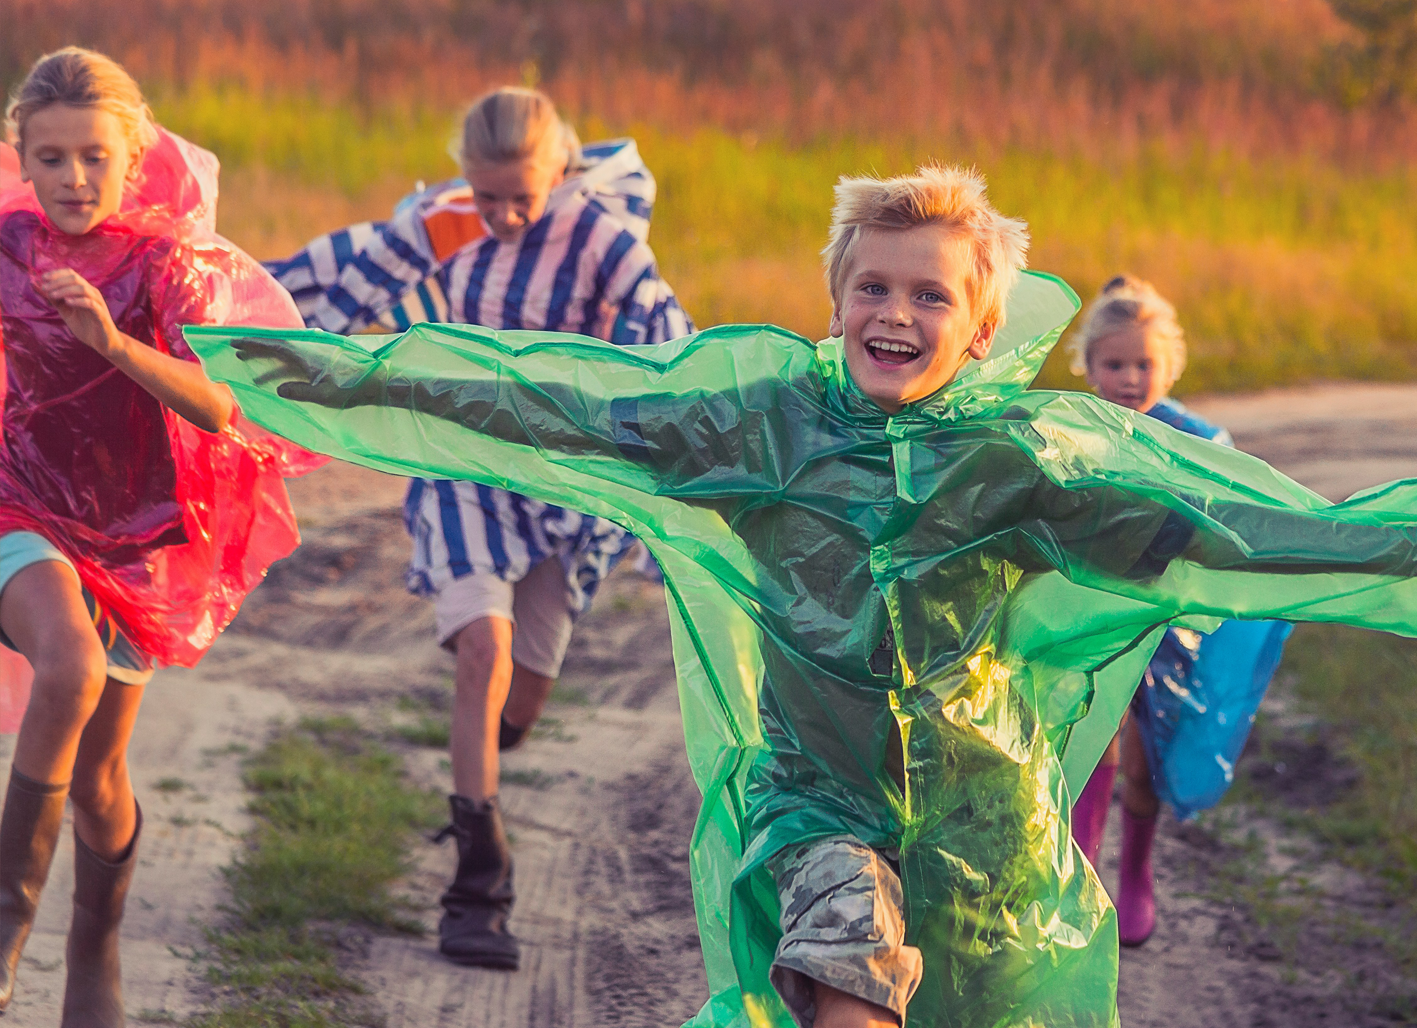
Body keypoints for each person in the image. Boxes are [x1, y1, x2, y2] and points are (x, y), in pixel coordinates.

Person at [191, 164, 1417, 1028]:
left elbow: (1234, 534)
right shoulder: (759, 423)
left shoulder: (1014, 466)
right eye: (872, 287)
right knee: (845, 981)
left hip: (985, 830)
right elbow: (542, 403)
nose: (895, 312)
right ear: (835, 300)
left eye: (930, 294)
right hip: (817, 801)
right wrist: (321, 375)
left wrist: (1384, 550)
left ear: (981, 323)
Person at [264, 85, 692, 970]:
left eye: (519, 198)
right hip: (461, 465)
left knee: (519, 701)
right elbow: (322, 280)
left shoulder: (597, 237)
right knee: (484, 656)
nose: (500, 216)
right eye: (484, 196)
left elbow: (664, 329)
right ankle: (477, 888)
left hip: (561, 481)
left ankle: (477, 758)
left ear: (559, 175)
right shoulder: (436, 224)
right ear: (463, 178)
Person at [0, 47, 319, 1026]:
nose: (72, 179)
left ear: (130, 159)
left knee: (99, 776)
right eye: (49, 158)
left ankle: (94, 940)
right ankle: (6, 932)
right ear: (23, 159)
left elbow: (220, 408)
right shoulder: (5, 244)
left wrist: (111, 340)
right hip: (20, 503)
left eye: (93, 156)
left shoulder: (163, 263)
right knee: (68, 664)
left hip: (137, 536)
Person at [1066, 276, 1293, 948]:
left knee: (1144, 757)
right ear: (1088, 365)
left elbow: (1230, 519)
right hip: (1092, 613)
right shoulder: (1073, 427)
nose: (1130, 377)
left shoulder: (1198, 438)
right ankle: (1081, 871)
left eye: (1144, 363)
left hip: (1169, 624)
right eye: (1114, 363)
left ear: (1169, 364)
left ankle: (1134, 868)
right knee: (1089, 737)